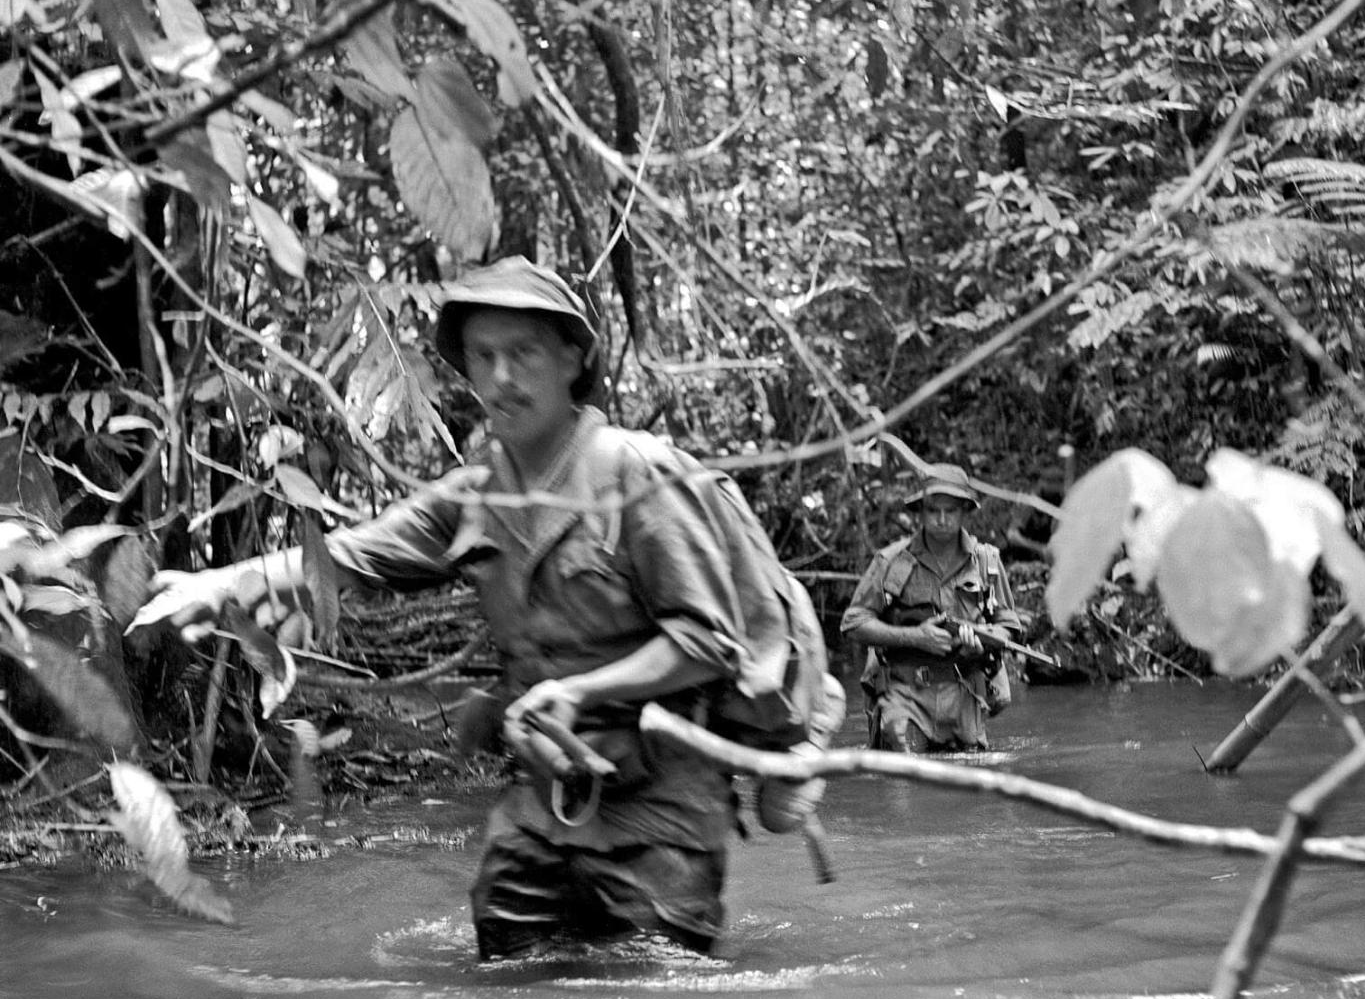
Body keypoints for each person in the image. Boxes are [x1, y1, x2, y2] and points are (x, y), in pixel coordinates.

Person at [133, 256, 841, 960]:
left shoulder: (637, 475)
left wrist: (582, 689)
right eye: (484, 356)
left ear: (573, 359)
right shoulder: (474, 496)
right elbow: (349, 556)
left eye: (523, 352)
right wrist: (222, 584)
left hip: (664, 810)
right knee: (505, 978)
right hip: (540, 810)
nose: (501, 377)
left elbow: (706, 640)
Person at [841, 464, 1024, 755]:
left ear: (964, 511)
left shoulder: (986, 563)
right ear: (920, 512)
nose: (941, 519)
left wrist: (983, 637)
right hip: (906, 695)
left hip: (965, 695)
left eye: (950, 511)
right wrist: (915, 636)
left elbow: (1010, 626)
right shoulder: (892, 562)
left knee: (970, 792)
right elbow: (853, 623)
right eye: (932, 510)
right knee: (903, 782)